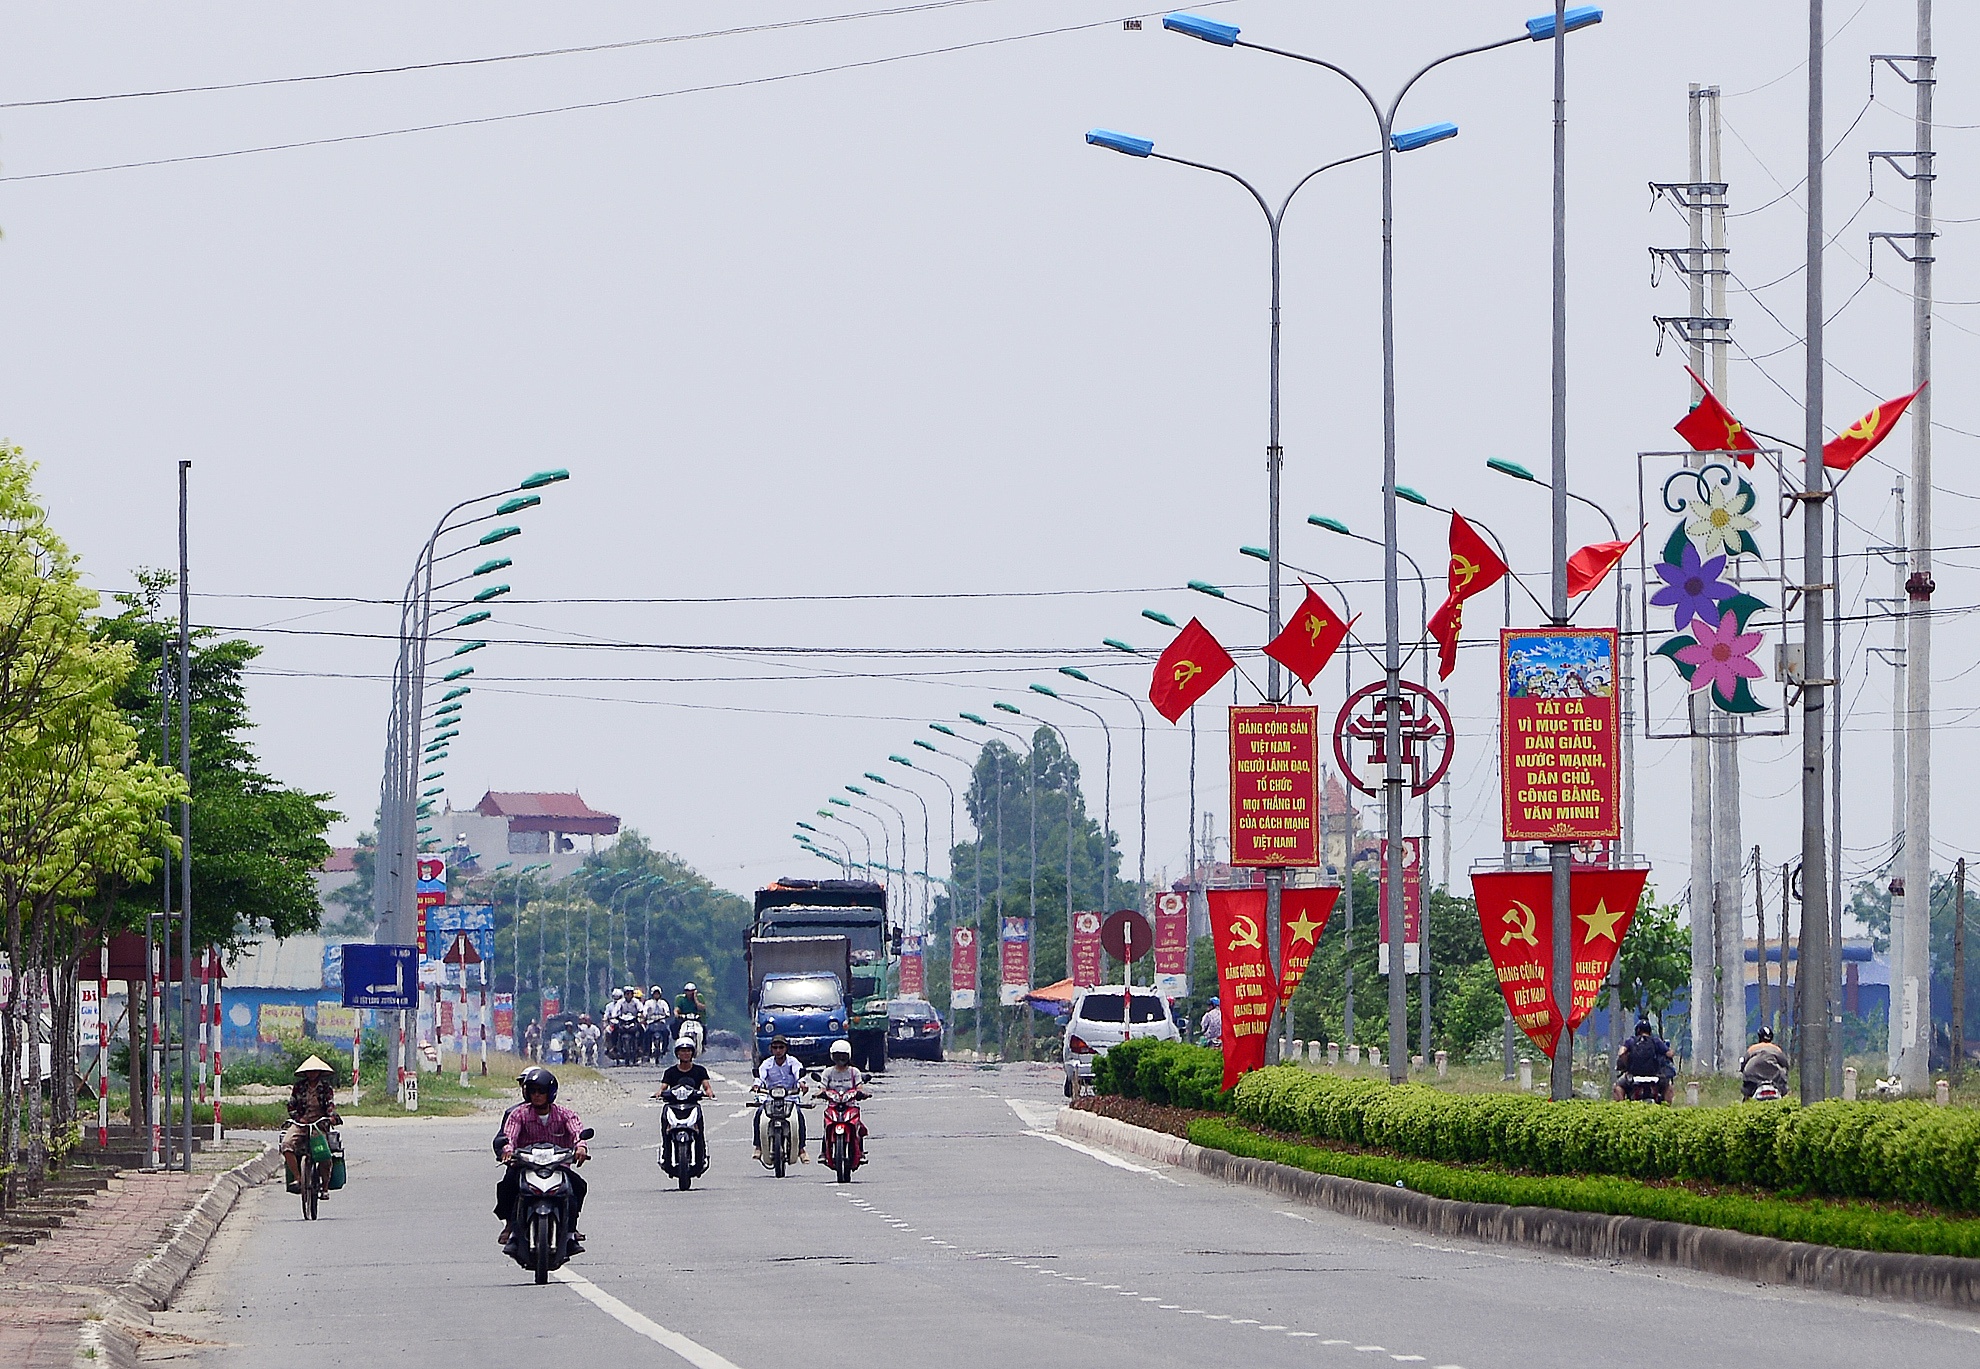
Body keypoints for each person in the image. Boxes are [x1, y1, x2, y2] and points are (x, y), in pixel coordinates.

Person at [496, 1067, 588, 1253]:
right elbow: (509, 1136)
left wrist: (581, 1147)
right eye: (533, 1091)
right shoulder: (518, 1114)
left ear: (550, 1093)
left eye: (541, 1091)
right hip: (525, 1165)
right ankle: (511, 1229)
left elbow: (577, 1131)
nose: (537, 1095)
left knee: (578, 1187)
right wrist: (507, 1150)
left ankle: (570, 1234)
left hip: (557, 1166)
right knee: (507, 1185)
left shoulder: (565, 1114)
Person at [281, 1056, 343, 1191]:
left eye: (315, 1071)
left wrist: (331, 1117)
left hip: (319, 1125)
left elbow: (330, 1105)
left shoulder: (326, 1087)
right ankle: (298, 1178)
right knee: (286, 1144)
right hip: (301, 1124)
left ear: (319, 1072)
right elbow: (291, 1106)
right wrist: (299, 1118)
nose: (312, 1074)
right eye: (309, 1071)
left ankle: (325, 1187)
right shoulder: (299, 1087)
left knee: (324, 1154)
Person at [751, 1036, 809, 1163]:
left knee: (799, 1116)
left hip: (790, 1097)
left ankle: (801, 1149)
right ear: (771, 1049)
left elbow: (799, 1074)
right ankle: (758, 1146)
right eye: (775, 1047)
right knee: (759, 1114)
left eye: (781, 1047)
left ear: (786, 1048)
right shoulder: (766, 1063)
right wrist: (757, 1085)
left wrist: (802, 1084)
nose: (778, 1050)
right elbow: (760, 1077)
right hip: (770, 1098)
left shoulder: (793, 1062)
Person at [813, 1039, 868, 1161]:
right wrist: (819, 1094)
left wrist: (862, 1093)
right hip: (833, 1106)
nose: (840, 1058)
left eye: (843, 1055)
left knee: (857, 1127)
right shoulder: (828, 1072)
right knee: (827, 1126)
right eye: (837, 1055)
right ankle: (824, 1151)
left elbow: (859, 1087)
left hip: (850, 1105)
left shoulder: (854, 1072)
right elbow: (822, 1087)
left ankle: (861, 1151)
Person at [1613, 1018, 1675, 1103]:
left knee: (1618, 1086)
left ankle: (1621, 1106)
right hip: (1654, 1075)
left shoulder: (1631, 1041)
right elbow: (1669, 1054)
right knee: (1668, 1087)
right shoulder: (1655, 1041)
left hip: (1633, 1075)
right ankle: (1667, 1108)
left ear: (1637, 1030)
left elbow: (1621, 1053)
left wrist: (1626, 1064)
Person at [1740, 1026, 1790, 1100]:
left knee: (1747, 1092)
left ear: (1759, 1036)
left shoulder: (1752, 1049)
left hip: (1753, 1077)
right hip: (1774, 1078)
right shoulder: (1776, 1049)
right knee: (1784, 1090)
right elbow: (1785, 1064)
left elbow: (1743, 1063)